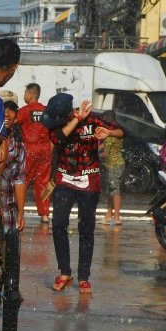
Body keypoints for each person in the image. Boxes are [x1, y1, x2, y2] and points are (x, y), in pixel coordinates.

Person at [41, 93, 123, 294]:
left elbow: (122, 132)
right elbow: (59, 138)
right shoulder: (57, 125)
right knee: (59, 224)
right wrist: (77, 119)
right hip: (64, 179)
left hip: (89, 180)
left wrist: (109, 134)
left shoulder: (93, 119)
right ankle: (65, 272)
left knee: (86, 229)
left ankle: (84, 277)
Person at [16, 83, 53, 223]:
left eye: (25, 93)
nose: (24, 95)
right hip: (45, 148)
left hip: (30, 148)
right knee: (43, 181)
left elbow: (14, 121)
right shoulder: (46, 110)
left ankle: (18, 211)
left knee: (22, 180)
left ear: (30, 95)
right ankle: (44, 214)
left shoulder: (25, 110)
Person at [0, 96, 27, 233]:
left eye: (11, 110)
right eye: (3, 108)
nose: (6, 113)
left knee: (8, 252)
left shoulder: (19, 147)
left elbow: (19, 181)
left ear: (16, 116)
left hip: (8, 212)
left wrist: (21, 213)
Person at [97, 110, 124, 225]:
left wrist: (97, 155)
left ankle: (117, 217)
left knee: (115, 191)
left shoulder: (111, 134)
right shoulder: (114, 132)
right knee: (111, 191)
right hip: (114, 165)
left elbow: (106, 152)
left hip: (115, 165)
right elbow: (105, 145)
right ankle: (108, 215)